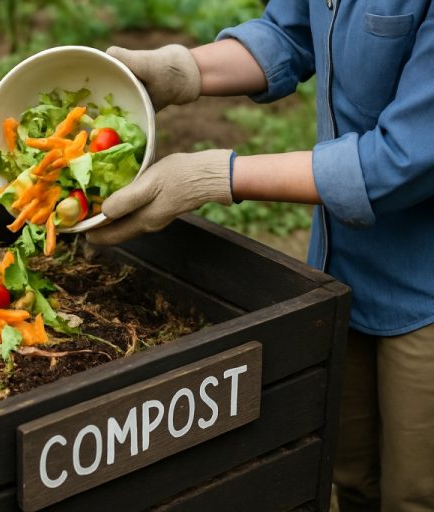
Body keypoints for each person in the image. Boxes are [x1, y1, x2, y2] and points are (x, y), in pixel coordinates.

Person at [86, 2, 434, 511]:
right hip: (344, 263)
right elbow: (289, 33)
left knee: (415, 495)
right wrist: (184, 70)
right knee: (354, 479)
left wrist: (216, 177)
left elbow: (402, 161)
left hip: (424, 290)